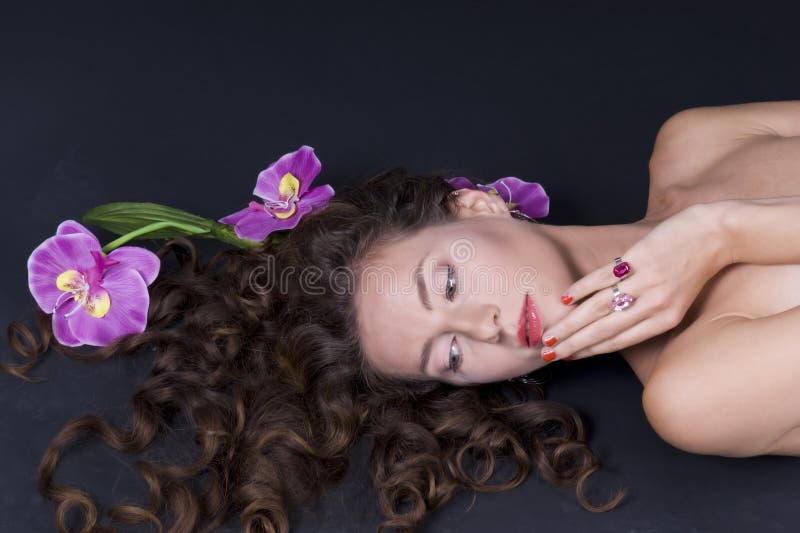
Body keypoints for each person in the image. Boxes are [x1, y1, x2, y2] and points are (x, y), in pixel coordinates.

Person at [4, 100, 799, 533]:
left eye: (447, 283)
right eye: (448, 355)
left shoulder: (693, 144)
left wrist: (712, 229)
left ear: (480, 205)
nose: (486, 330)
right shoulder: (695, 390)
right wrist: (715, 236)